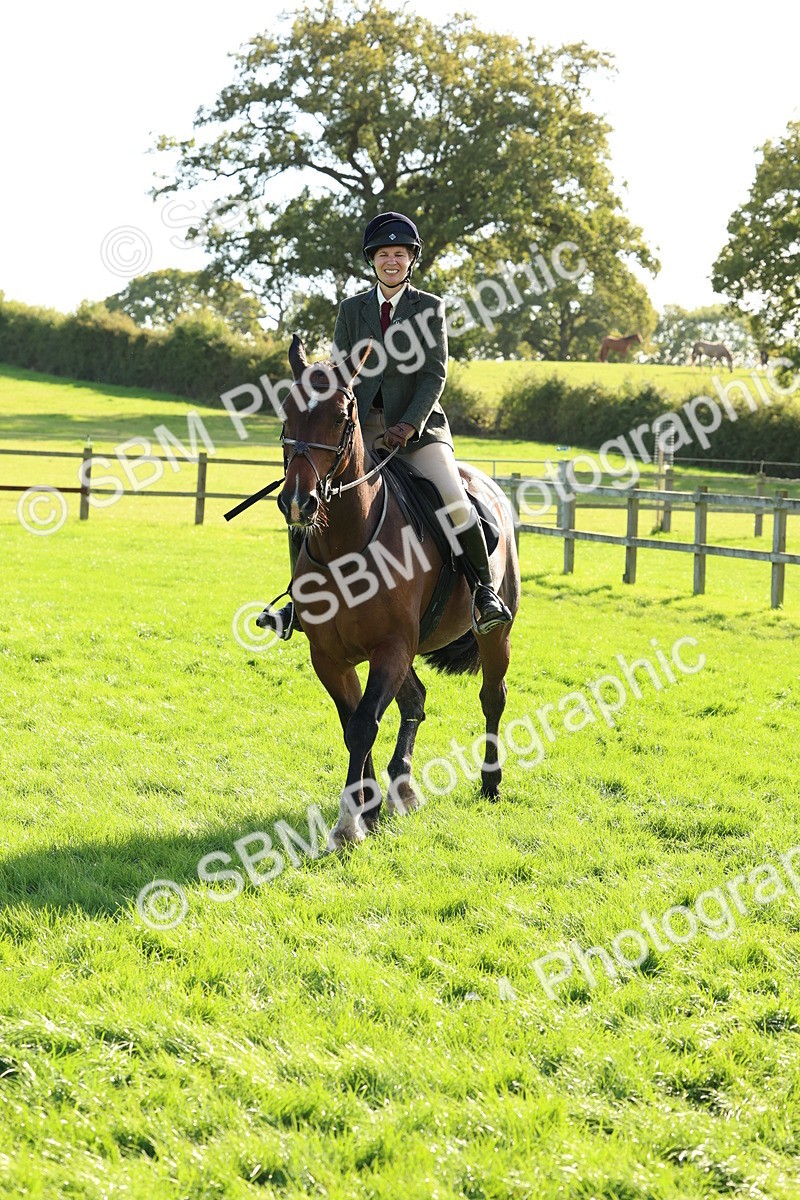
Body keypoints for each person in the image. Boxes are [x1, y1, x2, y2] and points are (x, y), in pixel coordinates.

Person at [260, 211, 512, 639]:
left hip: (419, 431)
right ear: (372, 261)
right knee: (306, 499)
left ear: (411, 259)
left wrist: (409, 424)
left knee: (453, 498)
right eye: (383, 254)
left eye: (399, 254)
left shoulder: (429, 308)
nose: (390, 261)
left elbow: (434, 375)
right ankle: (301, 603)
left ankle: (484, 593)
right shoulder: (351, 310)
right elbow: (342, 374)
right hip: (358, 430)